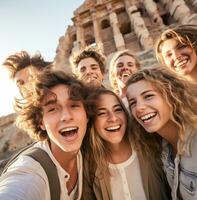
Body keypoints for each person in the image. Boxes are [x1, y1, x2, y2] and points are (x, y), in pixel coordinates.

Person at [0, 70, 89, 200]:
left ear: (87, 114)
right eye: (52, 109)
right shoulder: (30, 173)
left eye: (74, 105)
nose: (66, 116)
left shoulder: (87, 151)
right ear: (41, 122)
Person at [82, 87, 170, 200]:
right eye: (102, 113)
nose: (113, 118)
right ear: (92, 121)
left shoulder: (150, 146)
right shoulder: (88, 164)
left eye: (118, 109)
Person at [126, 67, 197, 200]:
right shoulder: (162, 149)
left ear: (171, 95)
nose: (139, 107)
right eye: (133, 103)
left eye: (148, 96)